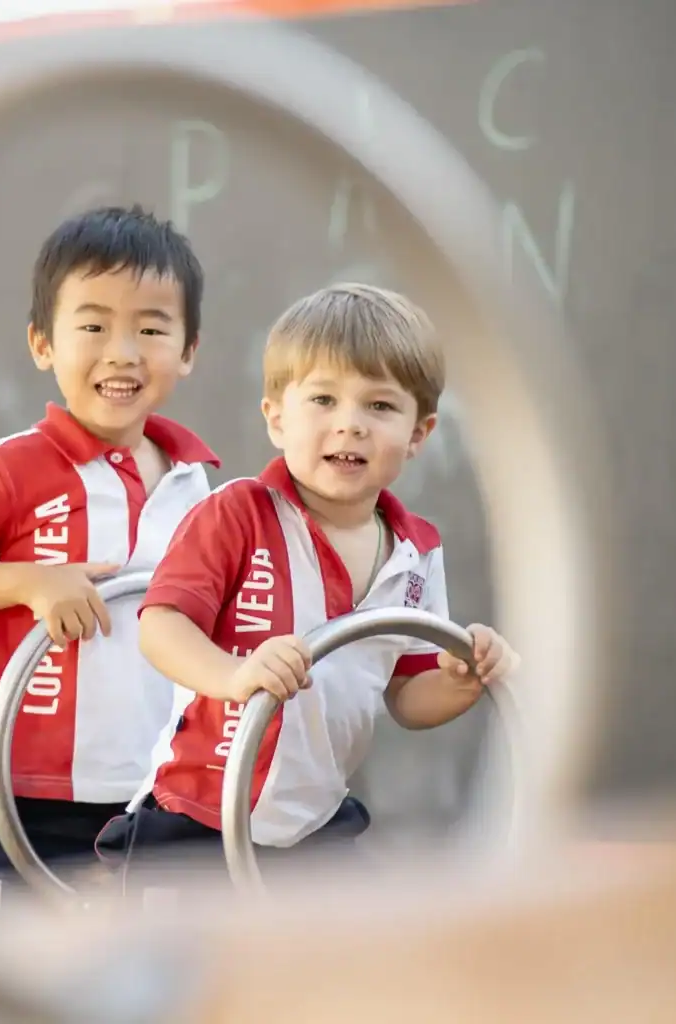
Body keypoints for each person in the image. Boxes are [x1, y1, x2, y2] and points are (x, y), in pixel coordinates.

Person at [96, 282, 520, 895]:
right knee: (191, 979)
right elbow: (161, 627)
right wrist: (233, 674)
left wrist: (462, 680)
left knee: (344, 966)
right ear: (276, 418)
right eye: (323, 399)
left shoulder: (417, 551)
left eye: (379, 407)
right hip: (198, 817)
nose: (349, 426)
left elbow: (407, 695)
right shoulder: (238, 513)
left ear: (419, 433)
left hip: (313, 826)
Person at [0, 205, 219, 920]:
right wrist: (28, 581)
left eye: (152, 329)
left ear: (188, 349)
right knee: (11, 965)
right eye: (94, 325)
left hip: (154, 789)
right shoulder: (10, 469)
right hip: (26, 788)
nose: (123, 351)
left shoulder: (200, 487)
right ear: (43, 342)